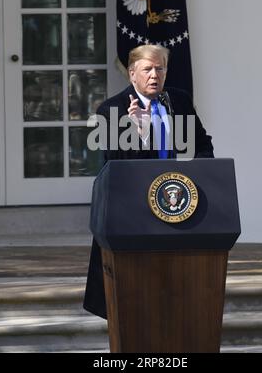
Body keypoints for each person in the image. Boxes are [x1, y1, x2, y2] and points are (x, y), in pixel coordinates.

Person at [83, 45, 214, 319]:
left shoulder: (178, 101)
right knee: (134, 303)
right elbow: (115, 166)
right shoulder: (111, 110)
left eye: (160, 68)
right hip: (133, 215)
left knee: (173, 298)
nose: (155, 74)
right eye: (147, 69)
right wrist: (141, 133)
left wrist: (200, 174)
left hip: (175, 206)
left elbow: (202, 144)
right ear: (132, 74)